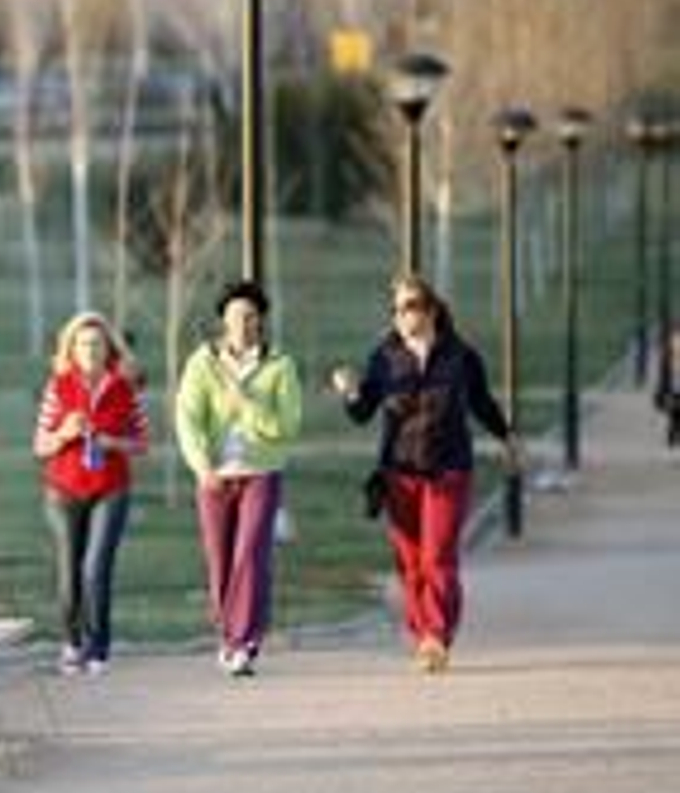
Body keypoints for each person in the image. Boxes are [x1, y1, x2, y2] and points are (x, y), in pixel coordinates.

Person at [329, 273, 520, 674]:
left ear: (431, 310)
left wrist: (507, 438)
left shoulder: (461, 356)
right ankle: (422, 637)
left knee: (438, 556)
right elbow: (363, 413)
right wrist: (349, 391)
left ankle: (436, 635)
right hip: (399, 473)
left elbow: (482, 402)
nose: (401, 315)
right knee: (411, 563)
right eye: (396, 309)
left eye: (410, 306)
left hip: (448, 469)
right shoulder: (384, 357)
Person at [174, 280, 302, 678]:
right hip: (214, 477)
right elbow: (188, 419)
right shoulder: (202, 363)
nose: (243, 324)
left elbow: (287, 426)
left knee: (250, 555)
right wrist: (202, 468)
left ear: (260, 320)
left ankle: (242, 642)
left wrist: (248, 403)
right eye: (235, 317)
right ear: (223, 321)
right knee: (220, 562)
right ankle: (228, 634)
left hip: (260, 473)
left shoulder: (280, 365)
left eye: (250, 317)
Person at [32, 311, 150, 677]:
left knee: (95, 568)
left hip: (110, 490)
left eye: (97, 343)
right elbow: (40, 445)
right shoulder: (58, 387)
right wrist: (64, 433)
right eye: (83, 344)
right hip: (64, 491)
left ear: (109, 348)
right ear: (71, 349)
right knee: (70, 571)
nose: (90, 350)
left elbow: (142, 442)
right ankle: (72, 644)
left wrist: (113, 442)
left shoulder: (123, 388)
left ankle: (98, 648)